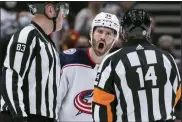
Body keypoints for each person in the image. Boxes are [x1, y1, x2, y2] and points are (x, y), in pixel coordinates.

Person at [92, 9, 181, 122]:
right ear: (148, 30)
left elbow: (101, 104)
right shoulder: (166, 58)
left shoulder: (112, 60)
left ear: (123, 31)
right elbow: (177, 94)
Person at [0, 2, 69, 122]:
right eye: (64, 10)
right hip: (22, 115)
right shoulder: (27, 36)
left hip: (40, 117)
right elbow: (11, 78)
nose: (64, 15)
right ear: (50, 10)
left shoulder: (48, 43)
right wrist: (19, 117)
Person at [58, 12, 120, 121]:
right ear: (92, 33)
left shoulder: (119, 68)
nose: (103, 37)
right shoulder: (68, 61)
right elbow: (52, 102)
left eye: (108, 34)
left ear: (115, 39)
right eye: (99, 31)